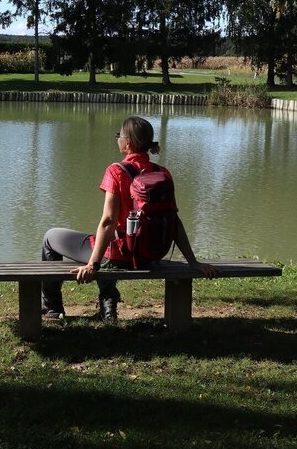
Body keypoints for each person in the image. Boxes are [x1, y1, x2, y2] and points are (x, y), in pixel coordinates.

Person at [40, 115, 218, 321]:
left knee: (51, 237)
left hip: (121, 256)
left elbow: (108, 221)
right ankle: (108, 306)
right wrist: (193, 261)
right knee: (104, 241)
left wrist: (92, 265)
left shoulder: (116, 171)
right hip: (150, 255)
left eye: (119, 135)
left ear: (128, 143)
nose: (118, 139)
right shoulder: (163, 173)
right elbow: (173, 221)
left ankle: (52, 306)